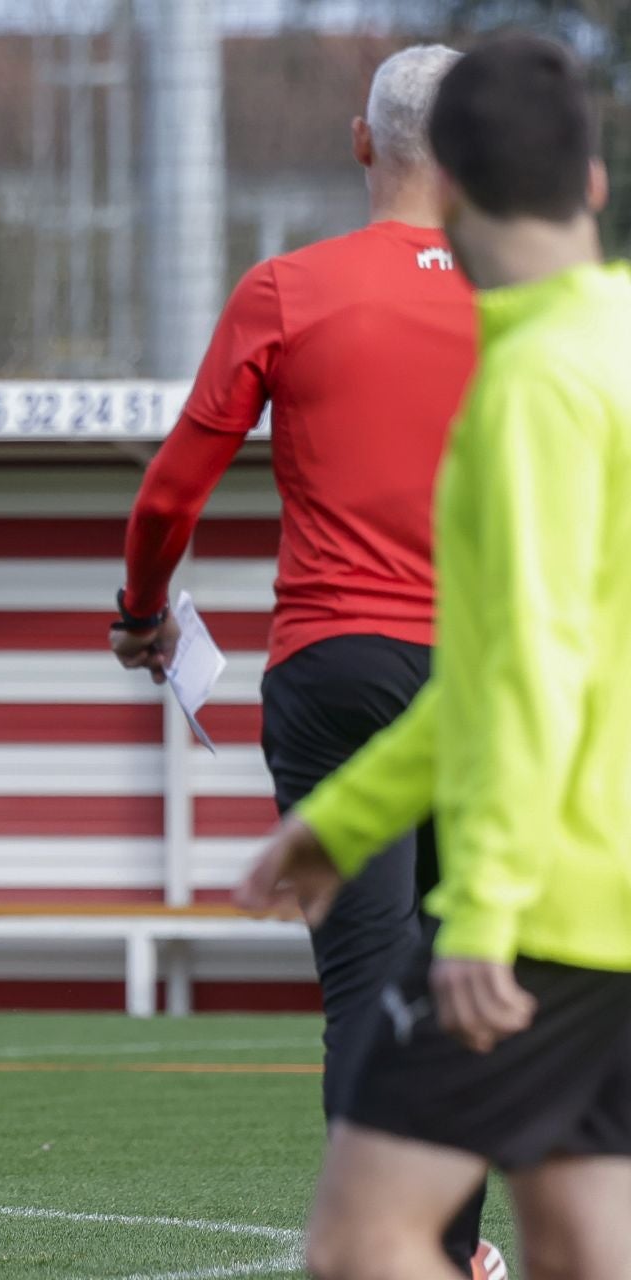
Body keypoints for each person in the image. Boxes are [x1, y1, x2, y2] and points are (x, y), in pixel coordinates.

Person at [238, 31, 631, 1280]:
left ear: (438, 184)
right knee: (579, 1237)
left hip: (548, 906)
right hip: (613, 889)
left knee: (363, 1242)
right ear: (595, 183)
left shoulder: (527, 382)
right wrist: (346, 821)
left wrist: (486, 914)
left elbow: (522, 670)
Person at [109, 45, 496, 1274]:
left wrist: (144, 612)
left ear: (359, 141)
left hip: (336, 668)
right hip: (494, 684)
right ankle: (458, 1253)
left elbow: (172, 490)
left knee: (368, 984)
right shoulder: (536, 303)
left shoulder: (291, 286)